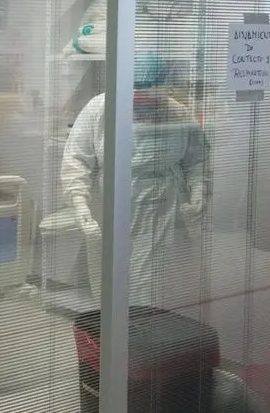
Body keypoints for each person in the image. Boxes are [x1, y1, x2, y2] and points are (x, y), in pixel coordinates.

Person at [61, 54, 208, 307]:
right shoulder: (100, 109)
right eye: (136, 99)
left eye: (150, 100)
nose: (142, 107)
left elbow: (197, 159)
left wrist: (198, 191)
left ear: (164, 90)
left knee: (156, 282)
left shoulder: (178, 113)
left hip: (164, 205)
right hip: (113, 204)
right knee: (111, 278)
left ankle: (150, 325)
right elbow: (76, 160)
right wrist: (79, 205)